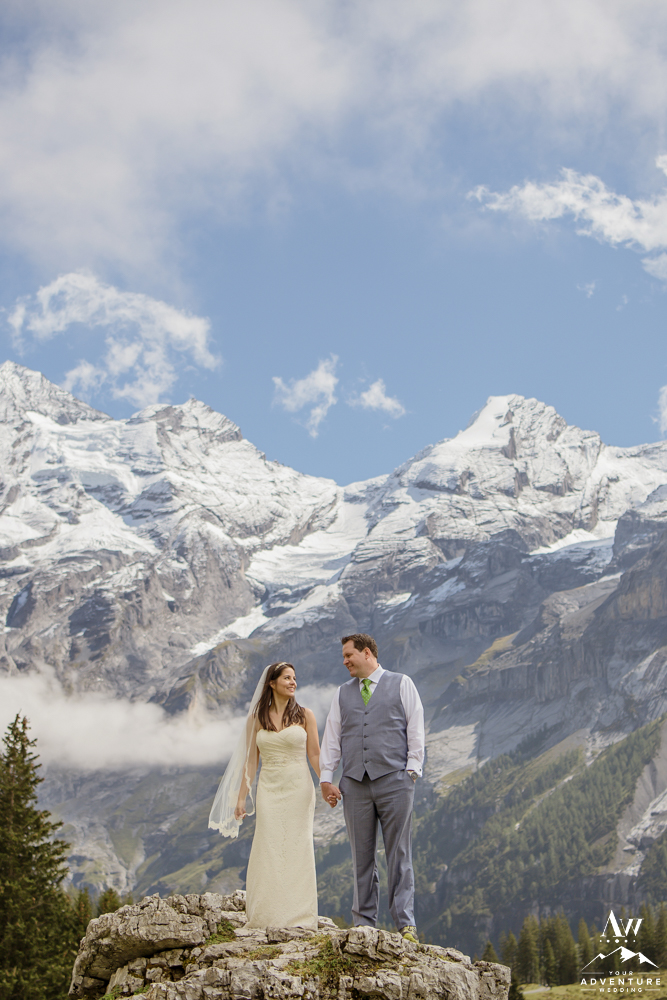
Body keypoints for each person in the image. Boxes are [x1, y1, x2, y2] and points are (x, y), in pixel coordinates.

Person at [320, 633, 425, 941]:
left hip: (395, 781)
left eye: (348, 655)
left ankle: (405, 924)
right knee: (361, 856)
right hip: (354, 784)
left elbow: (415, 726)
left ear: (367, 653)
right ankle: (364, 922)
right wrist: (327, 778)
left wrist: (412, 770)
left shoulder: (402, 683)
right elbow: (332, 738)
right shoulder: (342, 693)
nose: (344, 661)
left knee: (399, 853)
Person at [208, 661, 322, 929]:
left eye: (295, 678)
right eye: (287, 678)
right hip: (269, 789)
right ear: (272, 683)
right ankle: (268, 914)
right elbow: (250, 762)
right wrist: (240, 799)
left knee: (298, 845)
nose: (293, 682)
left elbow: (314, 754)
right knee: (269, 846)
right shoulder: (256, 719)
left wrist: (327, 782)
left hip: (299, 788)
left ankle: (300, 916)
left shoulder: (306, 715)